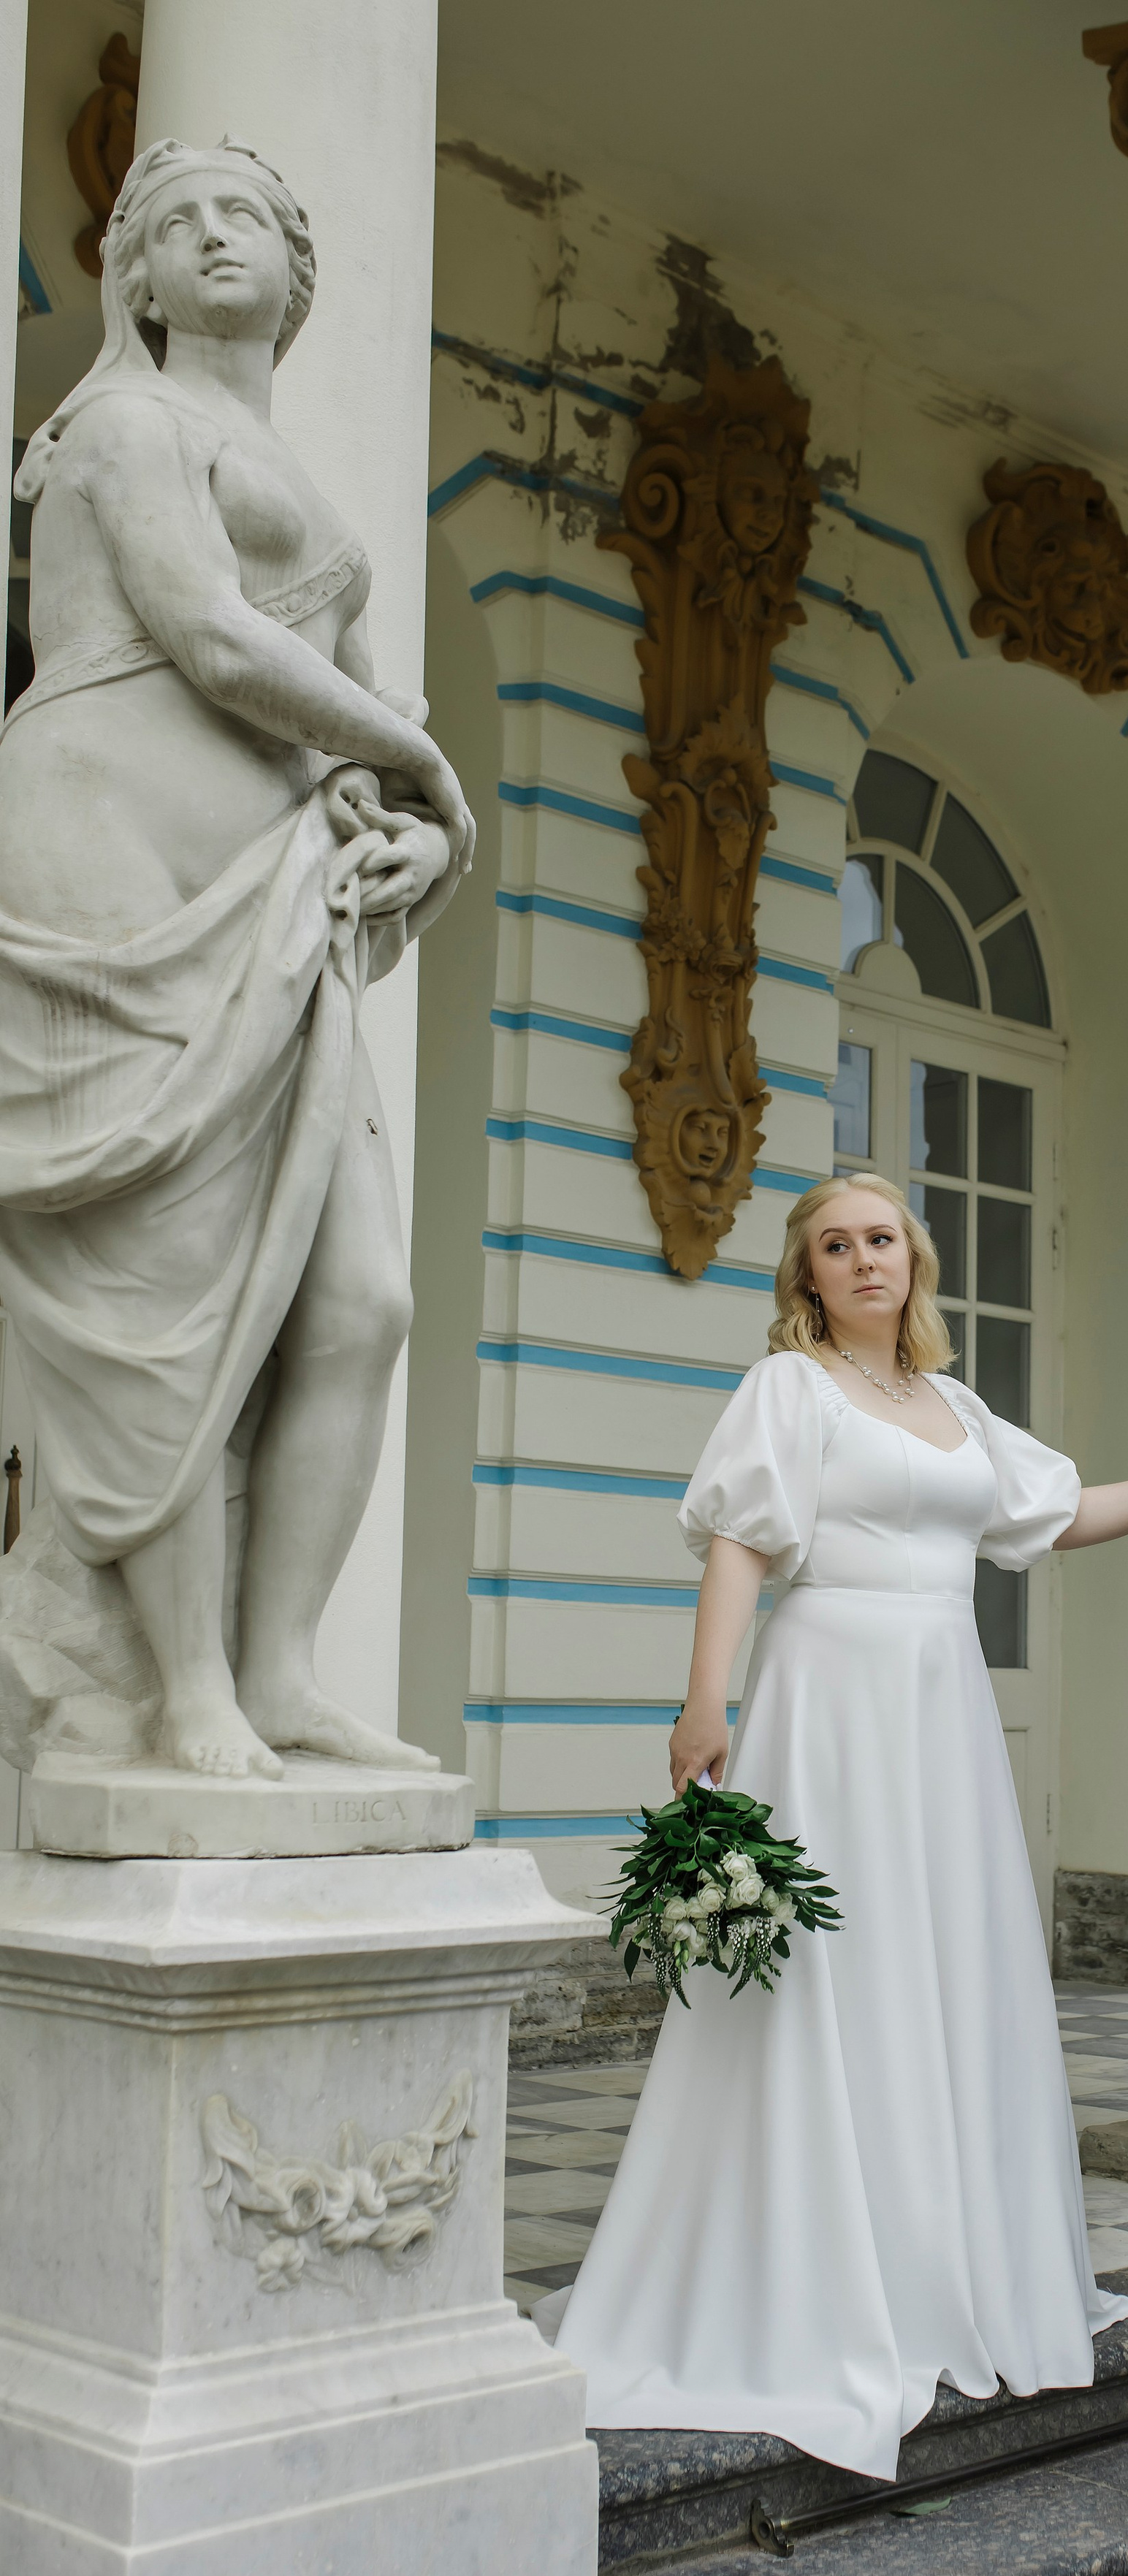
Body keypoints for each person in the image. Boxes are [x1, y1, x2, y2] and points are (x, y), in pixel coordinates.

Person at [541, 1172, 1128, 2478]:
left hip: (942, 1708)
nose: (864, 1260)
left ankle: (948, 2260)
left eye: (881, 1239)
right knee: (833, 1970)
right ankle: (816, 2275)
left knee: (949, 1968)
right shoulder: (790, 1391)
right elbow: (741, 1548)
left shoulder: (955, 1407)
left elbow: (1052, 1514)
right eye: (835, 1245)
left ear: (912, 1261)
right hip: (829, 1698)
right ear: (807, 1275)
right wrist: (705, 1702)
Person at [0, 137, 473, 1780]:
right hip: (111, 872)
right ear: (130, 271)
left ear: (296, 273)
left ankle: (278, 1671)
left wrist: (425, 826)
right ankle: (177, 1686)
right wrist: (428, 773)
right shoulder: (121, 423)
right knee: (170, 1306)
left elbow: (361, 727)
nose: (212, 239)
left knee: (359, 1301)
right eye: (175, 222)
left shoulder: (314, 489)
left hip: (277, 896)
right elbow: (205, 634)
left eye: (248, 219)